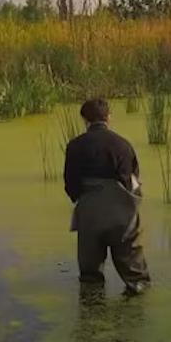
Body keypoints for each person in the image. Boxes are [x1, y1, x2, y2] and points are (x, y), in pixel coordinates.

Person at [63, 98, 151, 295]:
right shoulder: (123, 145)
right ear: (108, 118)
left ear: (84, 119)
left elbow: (70, 184)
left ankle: (93, 318)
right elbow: (131, 181)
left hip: (90, 213)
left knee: (90, 279)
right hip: (121, 213)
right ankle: (134, 313)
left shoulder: (74, 146)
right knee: (137, 279)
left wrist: (85, 200)